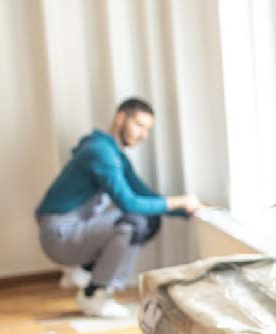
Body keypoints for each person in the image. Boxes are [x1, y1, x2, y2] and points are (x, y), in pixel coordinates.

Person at [35, 98, 202, 318]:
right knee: (133, 222)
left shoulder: (113, 155)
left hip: (73, 228)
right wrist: (179, 201)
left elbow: (145, 195)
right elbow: (129, 203)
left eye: (147, 130)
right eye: (139, 125)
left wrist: (188, 210)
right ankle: (96, 293)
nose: (143, 135)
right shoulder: (100, 152)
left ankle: (85, 271)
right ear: (121, 118)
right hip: (59, 235)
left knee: (149, 220)